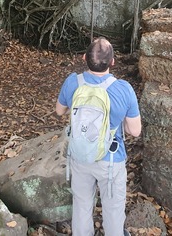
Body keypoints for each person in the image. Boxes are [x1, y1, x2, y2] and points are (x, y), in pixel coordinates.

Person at [56, 37, 142, 236]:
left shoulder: (72, 82)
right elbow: (135, 131)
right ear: (112, 62)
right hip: (111, 161)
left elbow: (60, 111)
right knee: (113, 210)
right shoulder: (123, 89)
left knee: (82, 206)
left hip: (80, 156)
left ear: (84, 57)